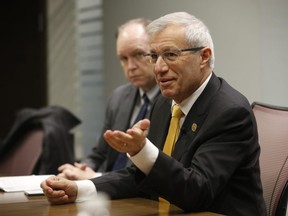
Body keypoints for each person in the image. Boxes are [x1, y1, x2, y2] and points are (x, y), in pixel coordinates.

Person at [41, 12, 266, 215]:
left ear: (204, 57)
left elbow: (197, 191)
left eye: (170, 54)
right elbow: (139, 177)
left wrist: (143, 151)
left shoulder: (229, 111)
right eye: (154, 56)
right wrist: (79, 189)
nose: (158, 67)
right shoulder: (164, 103)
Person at [57, 18, 159, 180]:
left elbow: (147, 171)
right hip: (104, 190)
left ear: (156, 52)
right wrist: (82, 169)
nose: (130, 66)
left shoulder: (172, 102)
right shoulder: (118, 98)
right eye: (123, 59)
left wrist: (96, 178)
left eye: (138, 54)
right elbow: (99, 153)